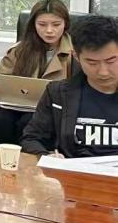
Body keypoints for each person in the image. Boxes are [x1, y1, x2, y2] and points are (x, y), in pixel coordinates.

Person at [21, 14, 118, 157]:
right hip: (74, 168)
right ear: (76, 57)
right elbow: (31, 139)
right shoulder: (58, 94)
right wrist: (47, 156)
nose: (103, 72)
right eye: (92, 63)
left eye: (111, 61)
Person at [0, 0, 73, 148]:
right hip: (16, 105)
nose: (49, 30)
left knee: (28, 122)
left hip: (54, 111)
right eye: (42, 24)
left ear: (65, 24)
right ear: (33, 25)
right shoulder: (18, 50)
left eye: (56, 24)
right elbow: (5, 82)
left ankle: (29, 162)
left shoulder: (75, 54)